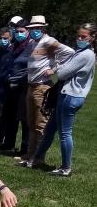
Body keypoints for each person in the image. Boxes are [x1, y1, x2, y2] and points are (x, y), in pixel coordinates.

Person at [31, 22, 95, 176]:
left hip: (71, 96)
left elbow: (62, 74)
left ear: (92, 38)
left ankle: (66, 168)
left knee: (65, 133)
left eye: (84, 37)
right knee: (50, 129)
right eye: (79, 36)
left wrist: (57, 68)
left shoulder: (86, 54)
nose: (80, 39)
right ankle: (37, 158)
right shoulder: (81, 52)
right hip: (66, 94)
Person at [20, 15, 74, 167]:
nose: (34, 31)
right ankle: (30, 155)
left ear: (43, 28)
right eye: (32, 28)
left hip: (42, 87)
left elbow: (69, 52)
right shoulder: (33, 42)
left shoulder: (48, 41)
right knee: (31, 123)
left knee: (40, 124)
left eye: (37, 28)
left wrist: (54, 69)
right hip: (31, 86)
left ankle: (38, 157)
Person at [0, 16, 34, 154]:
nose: (19, 34)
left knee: (24, 118)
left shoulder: (31, 46)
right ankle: (8, 144)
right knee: (10, 115)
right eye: (17, 31)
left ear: (28, 31)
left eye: (22, 31)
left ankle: (25, 149)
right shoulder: (15, 46)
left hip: (23, 86)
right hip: (11, 85)